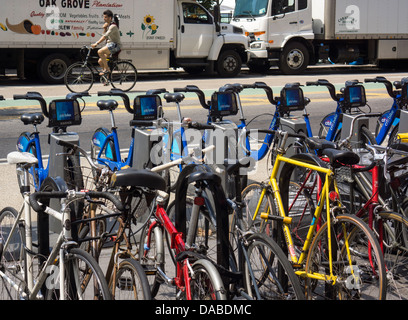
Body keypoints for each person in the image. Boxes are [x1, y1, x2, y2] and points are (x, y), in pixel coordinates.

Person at [91, 10, 122, 75]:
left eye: (105, 17)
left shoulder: (113, 26)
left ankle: (106, 69)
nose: (104, 19)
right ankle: (107, 77)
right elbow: (104, 35)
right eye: (104, 17)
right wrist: (105, 28)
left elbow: (104, 36)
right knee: (100, 61)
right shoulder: (109, 25)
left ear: (110, 18)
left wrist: (96, 43)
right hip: (110, 45)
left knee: (100, 52)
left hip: (115, 45)